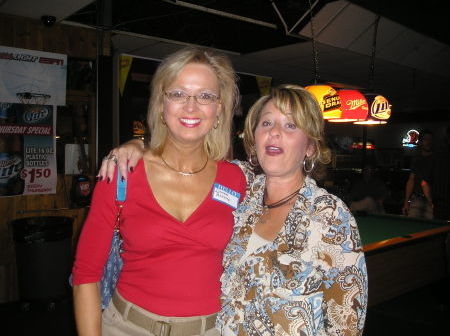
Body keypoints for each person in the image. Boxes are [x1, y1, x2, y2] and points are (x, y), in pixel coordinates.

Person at [100, 85, 368, 335]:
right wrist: (137, 146)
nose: (275, 132)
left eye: (290, 125)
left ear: (310, 147)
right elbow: (183, 154)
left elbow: (346, 322)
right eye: (267, 123)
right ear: (254, 138)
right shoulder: (241, 186)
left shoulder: (331, 216)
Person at [72, 46, 247, 336]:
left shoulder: (236, 179)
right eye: (178, 94)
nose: (191, 106)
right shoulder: (121, 173)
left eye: (205, 96)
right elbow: (86, 274)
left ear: (219, 110)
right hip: (128, 327)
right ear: (161, 106)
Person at [402, 129, 434, 219]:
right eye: (426, 140)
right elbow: (411, 180)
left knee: (430, 230)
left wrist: (432, 201)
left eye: (430, 140)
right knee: (412, 229)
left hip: (431, 201)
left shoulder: (436, 159)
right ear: (420, 142)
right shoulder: (416, 159)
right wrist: (406, 203)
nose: (428, 142)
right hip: (416, 199)